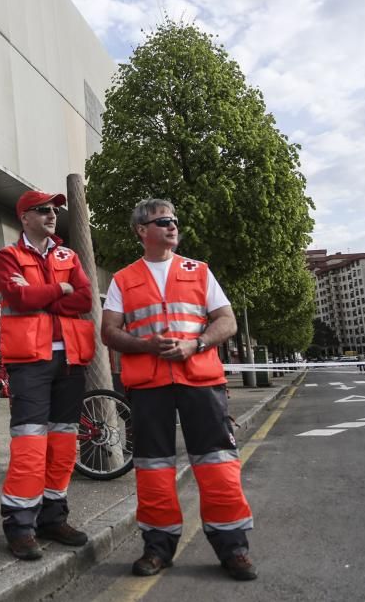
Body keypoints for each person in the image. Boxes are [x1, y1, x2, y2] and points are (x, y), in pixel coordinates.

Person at [100, 198, 256, 582]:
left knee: (218, 464)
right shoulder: (123, 279)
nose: (173, 226)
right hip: (150, 385)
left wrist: (196, 344)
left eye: (174, 221)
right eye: (162, 221)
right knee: (153, 468)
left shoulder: (199, 271)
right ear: (141, 231)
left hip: (200, 380)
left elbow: (227, 321)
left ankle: (233, 547)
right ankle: (157, 548)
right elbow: (109, 332)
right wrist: (147, 345)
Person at [0, 190, 95, 561]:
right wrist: (59, 289)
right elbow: (20, 299)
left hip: (70, 360)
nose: (52, 215)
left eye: (54, 211)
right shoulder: (8, 257)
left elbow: (84, 298)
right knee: (30, 446)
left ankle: (53, 517)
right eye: (43, 210)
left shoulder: (69, 255)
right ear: (25, 217)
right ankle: (20, 526)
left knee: (64, 444)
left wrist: (48, 293)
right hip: (31, 363)